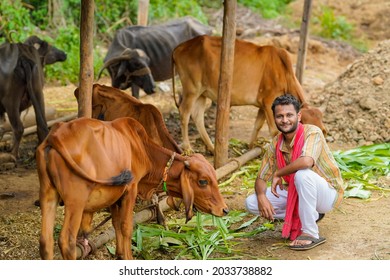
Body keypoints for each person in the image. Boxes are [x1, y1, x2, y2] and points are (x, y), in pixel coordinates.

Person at [245, 94, 344, 250]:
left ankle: (310, 233)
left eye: (289, 115)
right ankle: (310, 216)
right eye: (280, 116)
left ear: (298, 116)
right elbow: (261, 178)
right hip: (298, 191)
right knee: (251, 203)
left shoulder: (312, 132)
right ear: (274, 118)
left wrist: (278, 173)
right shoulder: (275, 143)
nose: (285, 120)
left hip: (327, 193)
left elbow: (306, 161)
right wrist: (262, 196)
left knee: (302, 174)